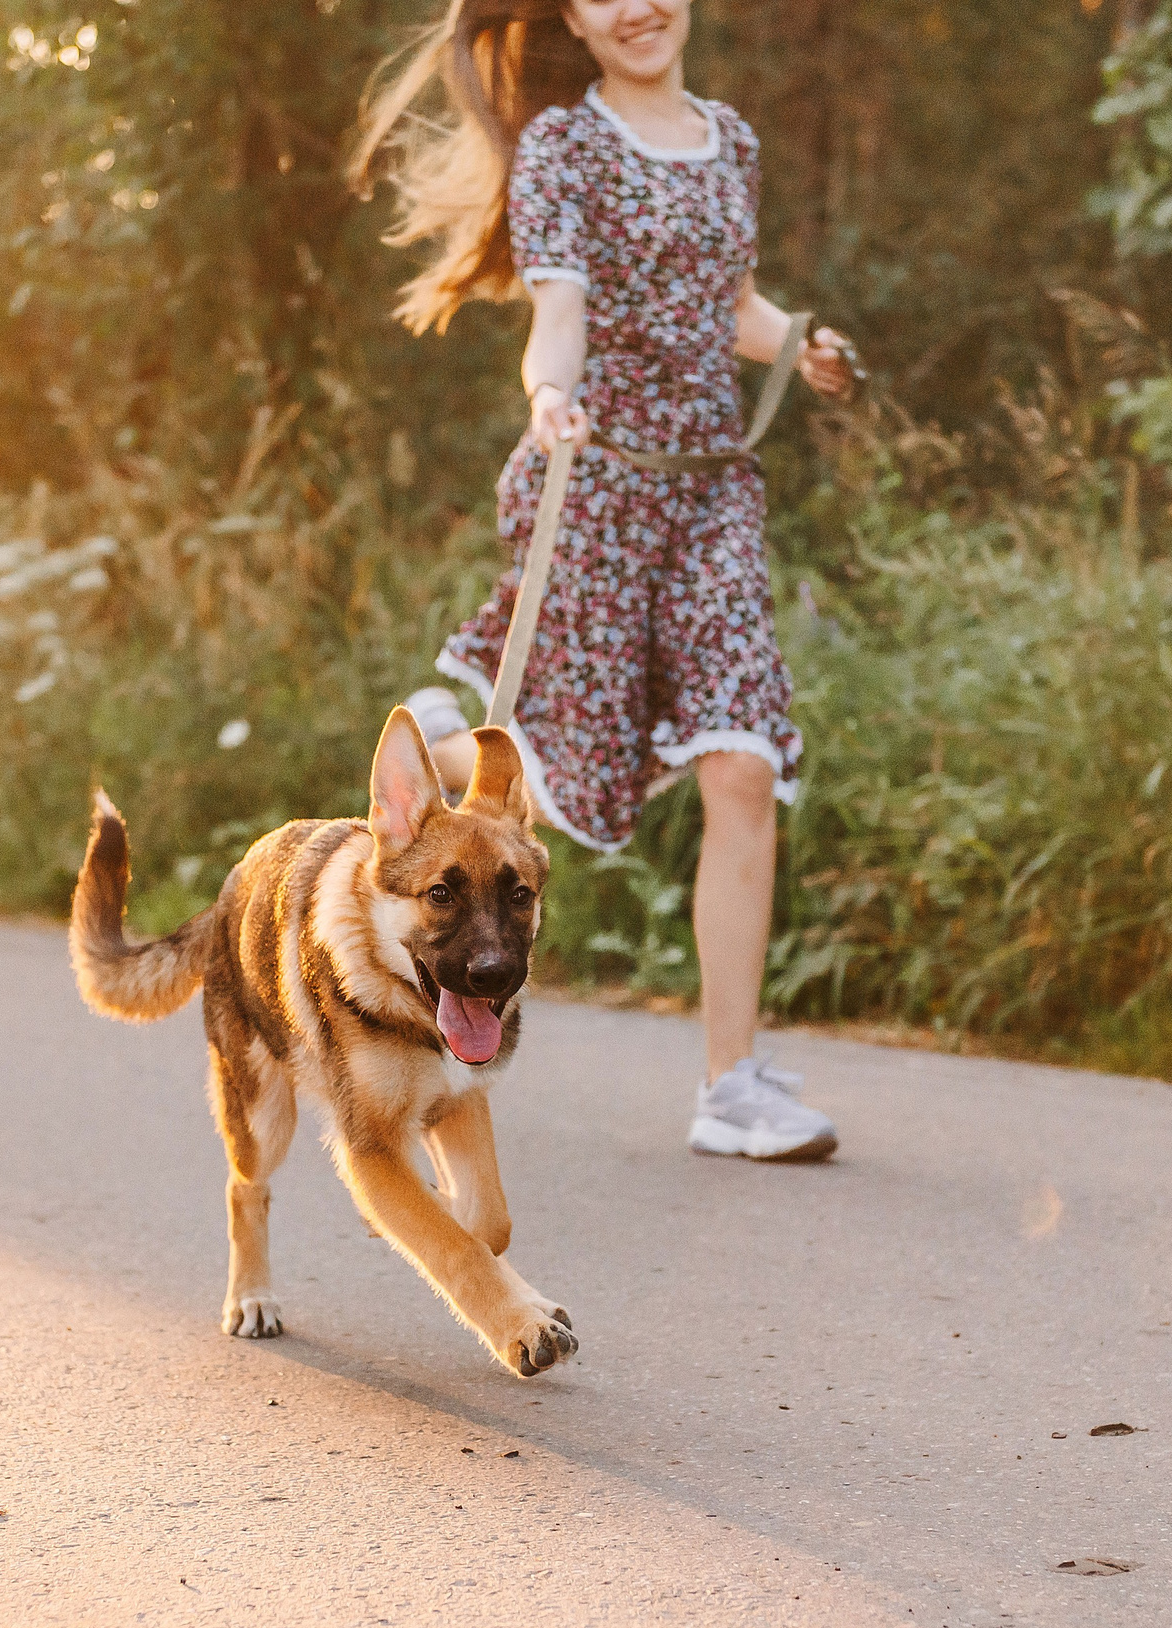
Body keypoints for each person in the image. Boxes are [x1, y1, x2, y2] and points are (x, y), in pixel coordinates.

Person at [350, 0, 855, 1162]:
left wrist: (802, 345)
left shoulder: (730, 140)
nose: (634, 6)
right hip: (592, 486)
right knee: (534, 762)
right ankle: (436, 747)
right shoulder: (563, 148)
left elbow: (726, 306)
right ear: (572, 15)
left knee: (743, 761)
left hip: (711, 491)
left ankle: (731, 1084)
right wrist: (547, 398)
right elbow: (559, 310)